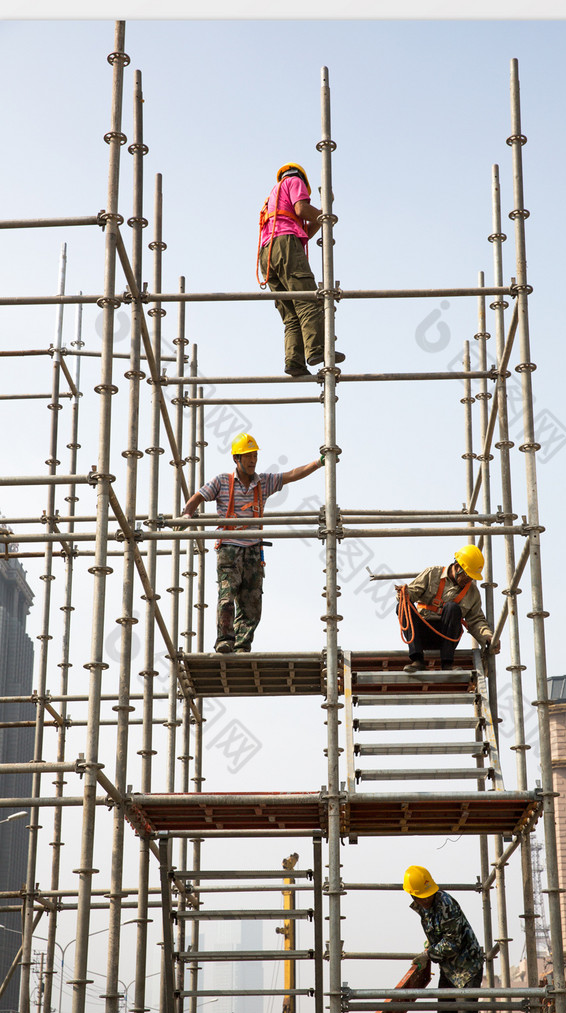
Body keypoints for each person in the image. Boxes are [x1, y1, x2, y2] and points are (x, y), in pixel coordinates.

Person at [176, 432, 324, 654]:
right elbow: (198, 496)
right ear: (236, 458)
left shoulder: (262, 483)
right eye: (248, 456)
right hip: (229, 549)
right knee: (226, 597)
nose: (253, 460)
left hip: (253, 550)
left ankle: (242, 644)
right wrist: (187, 514)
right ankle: (225, 640)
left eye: (254, 455)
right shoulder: (222, 481)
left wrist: (320, 462)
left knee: (251, 603)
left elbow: (291, 475)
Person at [257, 162, 345, 377]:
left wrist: (323, 215)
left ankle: (294, 361)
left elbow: (305, 229)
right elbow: (301, 209)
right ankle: (317, 349)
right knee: (307, 299)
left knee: (291, 314)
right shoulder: (294, 182)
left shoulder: (273, 197)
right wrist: (322, 213)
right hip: (285, 245)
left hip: (268, 253)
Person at [404, 865, 485, 1013]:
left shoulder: (446, 905)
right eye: (421, 897)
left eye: (427, 896)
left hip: (467, 968)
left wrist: (429, 954)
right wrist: (431, 944)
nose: (426, 900)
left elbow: (453, 942)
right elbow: (441, 932)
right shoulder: (425, 908)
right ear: (413, 895)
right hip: (448, 970)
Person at [395, 544, 500, 674]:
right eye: (467, 576)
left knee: (452, 607)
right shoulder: (432, 574)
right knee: (402, 606)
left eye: (472, 577)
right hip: (421, 633)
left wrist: (488, 638)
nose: (469, 580)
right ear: (457, 567)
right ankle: (417, 660)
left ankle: (447, 663)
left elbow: (476, 620)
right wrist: (404, 594)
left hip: (446, 637)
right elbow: (412, 593)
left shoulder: (472, 593)